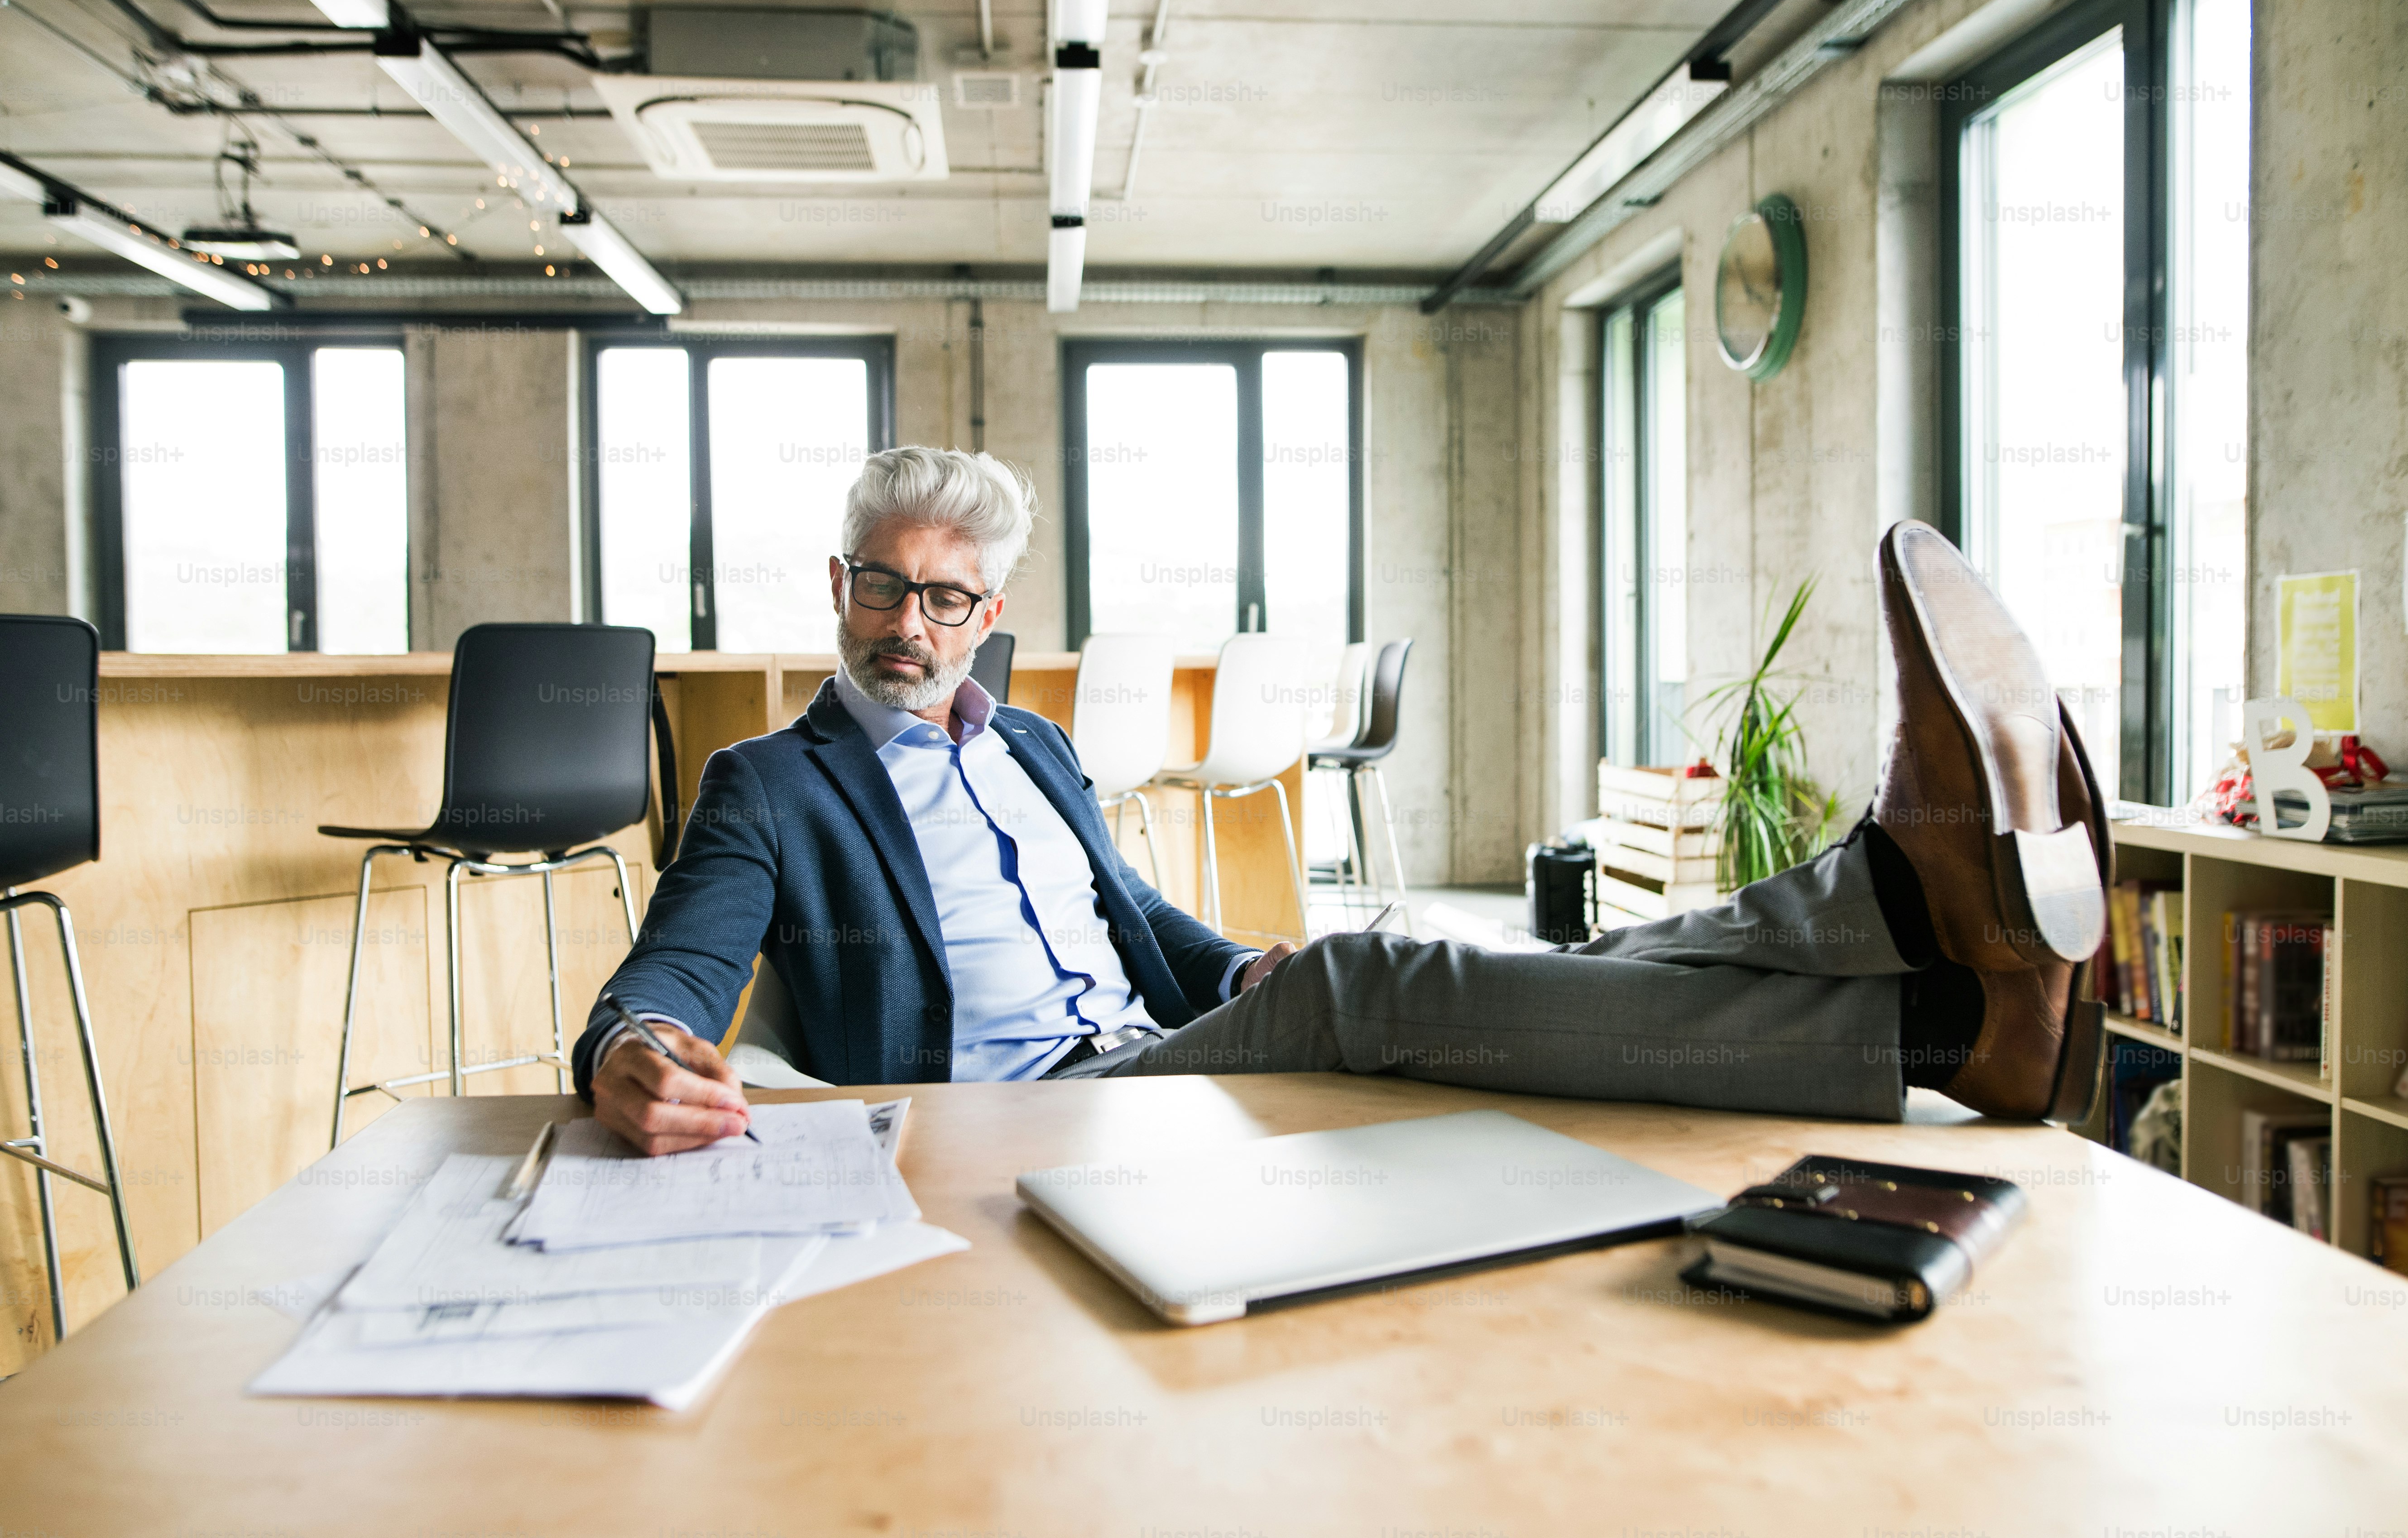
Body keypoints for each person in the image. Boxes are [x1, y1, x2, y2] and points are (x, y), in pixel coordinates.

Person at [576, 446, 2108, 1155]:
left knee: (1415, 968)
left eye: (948, 598)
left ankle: (1944, 1013)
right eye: (886, 588)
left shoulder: (1033, 744)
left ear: (991, 614)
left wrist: (1238, 967)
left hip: (1152, 1045)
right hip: (1020, 1114)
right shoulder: (768, 784)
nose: (910, 626)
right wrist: (628, 1051)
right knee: (1375, 978)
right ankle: (1886, 918)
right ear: (840, 585)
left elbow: (1134, 917)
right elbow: (672, 973)